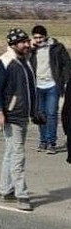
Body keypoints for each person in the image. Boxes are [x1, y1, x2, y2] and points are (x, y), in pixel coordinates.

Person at [0, 28, 38, 211]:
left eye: (27, 41)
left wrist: (34, 111)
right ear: (12, 44)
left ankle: (5, 190)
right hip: (12, 115)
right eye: (23, 42)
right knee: (18, 155)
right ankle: (22, 195)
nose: (27, 45)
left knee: (11, 153)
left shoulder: (23, 61)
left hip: (22, 114)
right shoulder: (5, 62)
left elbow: (29, 89)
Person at [29, 25, 70, 154]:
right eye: (35, 37)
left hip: (52, 85)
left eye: (40, 37)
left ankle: (51, 142)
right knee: (41, 114)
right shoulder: (31, 50)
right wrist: (30, 47)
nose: (38, 39)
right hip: (37, 86)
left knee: (52, 114)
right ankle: (43, 141)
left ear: (46, 36)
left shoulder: (57, 48)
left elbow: (67, 64)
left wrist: (64, 80)